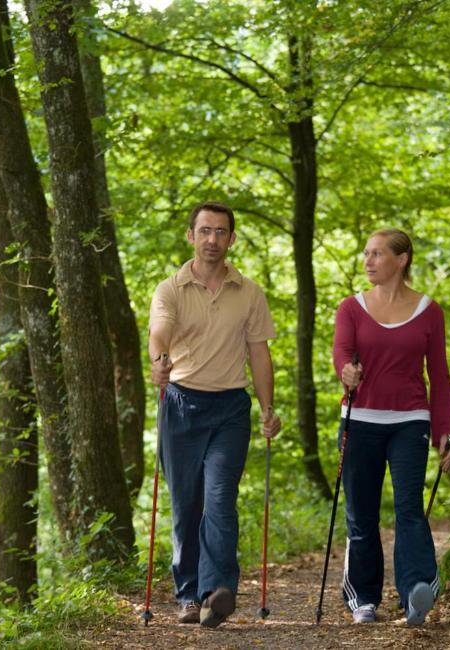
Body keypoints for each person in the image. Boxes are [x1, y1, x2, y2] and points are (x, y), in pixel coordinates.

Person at [148, 201, 282, 628]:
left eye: (221, 232)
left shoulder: (249, 291)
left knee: (221, 498)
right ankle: (187, 595)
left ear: (231, 239)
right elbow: (160, 331)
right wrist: (160, 360)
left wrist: (268, 408)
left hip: (230, 408)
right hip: (181, 403)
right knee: (187, 504)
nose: (212, 239)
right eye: (205, 231)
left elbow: (259, 353)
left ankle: (217, 590)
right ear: (191, 236)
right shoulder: (170, 288)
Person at [332, 228, 450, 626]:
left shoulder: (428, 311)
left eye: (378, 254)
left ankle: (416, 593)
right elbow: (341, 352)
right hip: (360, 419)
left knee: (409, 508)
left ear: (401, 260)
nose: (368, 260)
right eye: (366, 253)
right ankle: (363, 599)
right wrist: (346, 372)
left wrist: (446, 431)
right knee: (362, 514)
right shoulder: (350, 308)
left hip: (410, 421)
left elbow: (439, 375)